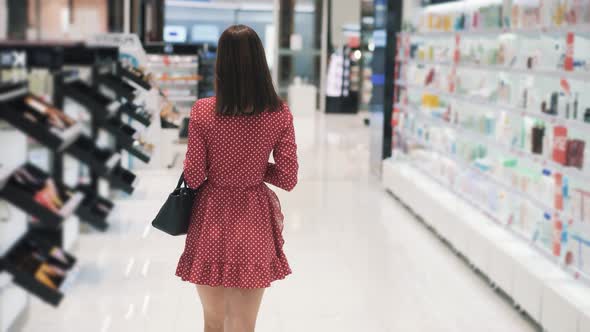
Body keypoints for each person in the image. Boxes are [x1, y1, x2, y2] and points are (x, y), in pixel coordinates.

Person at [175, 24, 299, 332]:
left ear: (221, 65)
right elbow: (287, 177)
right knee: (245, 325)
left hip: (211, 218)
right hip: (255, 218)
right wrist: (255, 170)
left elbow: (193, 176)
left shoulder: (203, 112)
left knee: (213, 322)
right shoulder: (279, 113)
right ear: (260, 62)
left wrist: (220, 168)